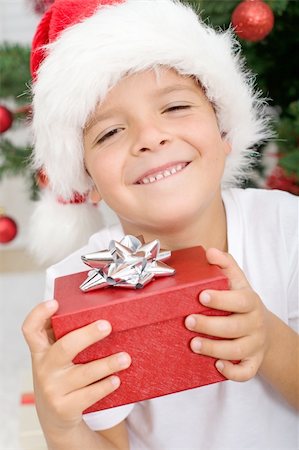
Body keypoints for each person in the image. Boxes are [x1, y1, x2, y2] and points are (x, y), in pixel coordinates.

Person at [22, 1, 298, 449]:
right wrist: (62, 426)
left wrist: (267, 338)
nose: (151, 138)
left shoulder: (286, 229)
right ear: (87, 180)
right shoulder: (79, 286)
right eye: (110, 132)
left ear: (224, 130)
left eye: (174, 107)